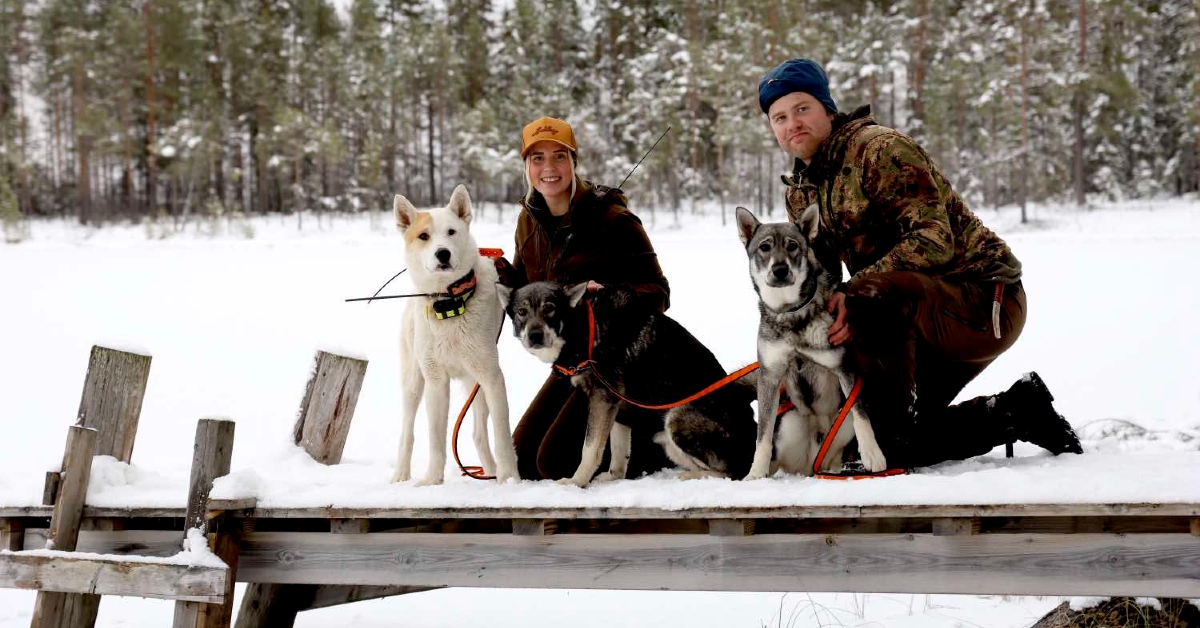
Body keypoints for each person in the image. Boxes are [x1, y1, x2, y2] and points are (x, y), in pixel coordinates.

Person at [758, 58, 1082, 469]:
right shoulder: (804, 190)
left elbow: (934, 240)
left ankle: (998, 416)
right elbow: (819, 284)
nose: (792, 124)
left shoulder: (879, 150)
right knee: (883, 445)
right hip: (896, 319)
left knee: (867, 299)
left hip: (982, 303)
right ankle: (1017, 411)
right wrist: (785, 358)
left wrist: (851, 291)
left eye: (802, 109)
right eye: (779, 117)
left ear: (828, 108)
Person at [496, 116, 673, 480]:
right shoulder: (528, 221)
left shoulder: (614, 219)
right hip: (569, 363)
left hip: (616, 365)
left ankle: (657, 445)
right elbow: (524, 285)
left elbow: (659, 293)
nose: (549, 168)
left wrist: (607, 294)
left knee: (554, 463)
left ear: (574, 161)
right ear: (526, 166)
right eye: (537, 158)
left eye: (559, 156)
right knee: (522, 461)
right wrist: (488, 272)